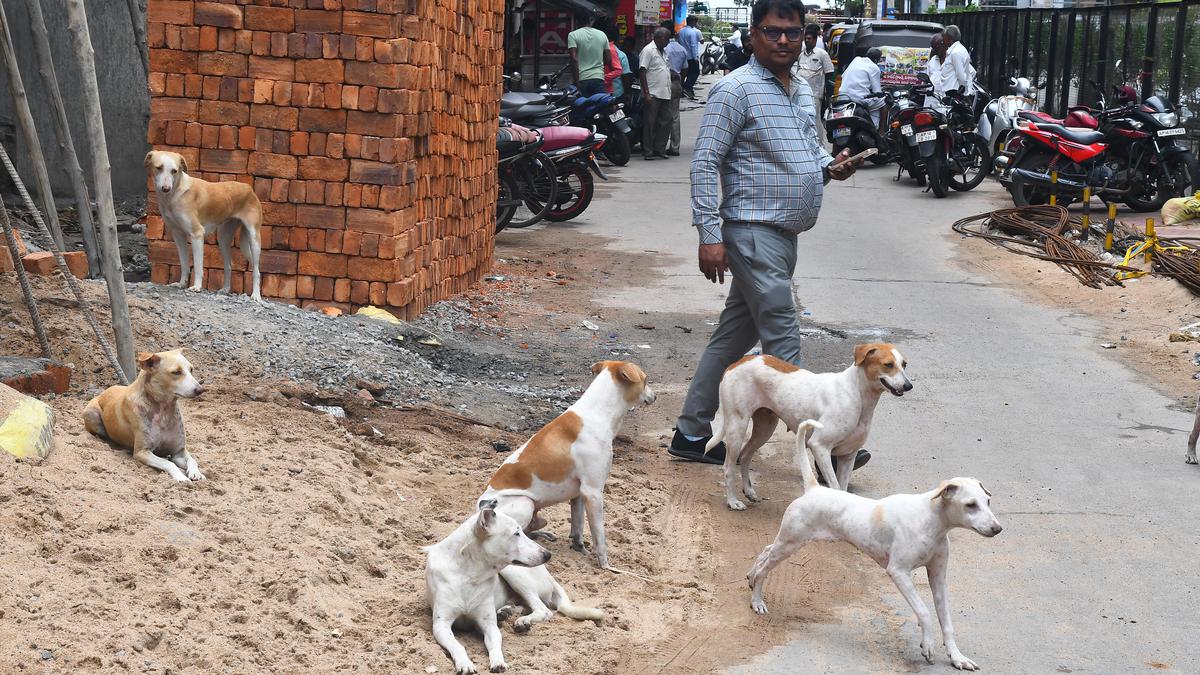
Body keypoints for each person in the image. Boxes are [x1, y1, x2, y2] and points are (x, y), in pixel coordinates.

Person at [670, 0, 866, 475]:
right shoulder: (734, 90)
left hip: (784, 235)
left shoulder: (800, 90)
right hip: (751, 230)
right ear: (753, 35)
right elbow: (705, 163)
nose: (783, 41)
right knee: (783, 335)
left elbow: (808, 152)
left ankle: (691, 433)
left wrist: (830, 168)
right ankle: (822, 450)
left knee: (732, 336)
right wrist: (709, 233)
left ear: (805, 37)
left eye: (792, 33)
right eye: (773, 32)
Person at [792, 24, 834, 143]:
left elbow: (829, 74)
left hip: (815, 94)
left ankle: (819, 146)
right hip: (800, 93)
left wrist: (828, 96)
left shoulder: (822, 54)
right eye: (805, 38)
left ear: (815, 39)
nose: (806, 41)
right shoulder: (801, 55)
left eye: (809, 38)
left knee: (815, 121)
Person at [638, 28, 673, 160]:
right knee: (650, 123)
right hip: (653, 92)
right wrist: (646, 93)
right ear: (659, 38)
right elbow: (642, 71)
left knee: (666, 121)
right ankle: (648, 151)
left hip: (665, 91)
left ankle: (660, 148)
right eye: (667, 39)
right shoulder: (648, 50)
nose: (668, 42)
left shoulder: (663, 52)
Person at [568, 12, 613, 97]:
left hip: (582, 79)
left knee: (582, 107)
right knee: (599, 108)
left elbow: (574, 59)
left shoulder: (573, 35)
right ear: (591, 21)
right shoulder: (602, 35)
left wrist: (576, 82)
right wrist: (598, 65)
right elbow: (608, 59)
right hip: (598, 78)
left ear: (577, 22)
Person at [839, 47, 885, 128]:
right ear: (876, 60)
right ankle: (879, 130)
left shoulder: (856, 60)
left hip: (842, 96)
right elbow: (877, 92)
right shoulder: (874, 67)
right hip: (858, 98)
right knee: (883, 104)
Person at [665, 31, 688, 156]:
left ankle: (659, 146)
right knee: (675, 116)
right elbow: (685, 68)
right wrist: (681, 82)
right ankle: (675, 146)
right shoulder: (682, 49)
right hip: (677, 82)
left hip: (665, 83)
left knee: (662, 116)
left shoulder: (664, 49)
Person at [941, 25, 976, 95]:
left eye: (943, 37)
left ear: (949, 38)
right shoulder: (960, 49)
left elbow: (961, 75)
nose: (942, 40)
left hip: (953, 91)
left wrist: (964, 91)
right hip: (953, 90)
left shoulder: (955, 53)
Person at [679, 15, 703, 100]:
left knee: (684, 73)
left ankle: (682, 88)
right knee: (695, 72)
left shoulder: (681, 31)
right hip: (690, 56)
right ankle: (687, 87)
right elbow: (693, 45)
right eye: (695, 22)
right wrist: (695, 58)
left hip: (682, 55)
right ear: (692, 22)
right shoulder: (692, 32)